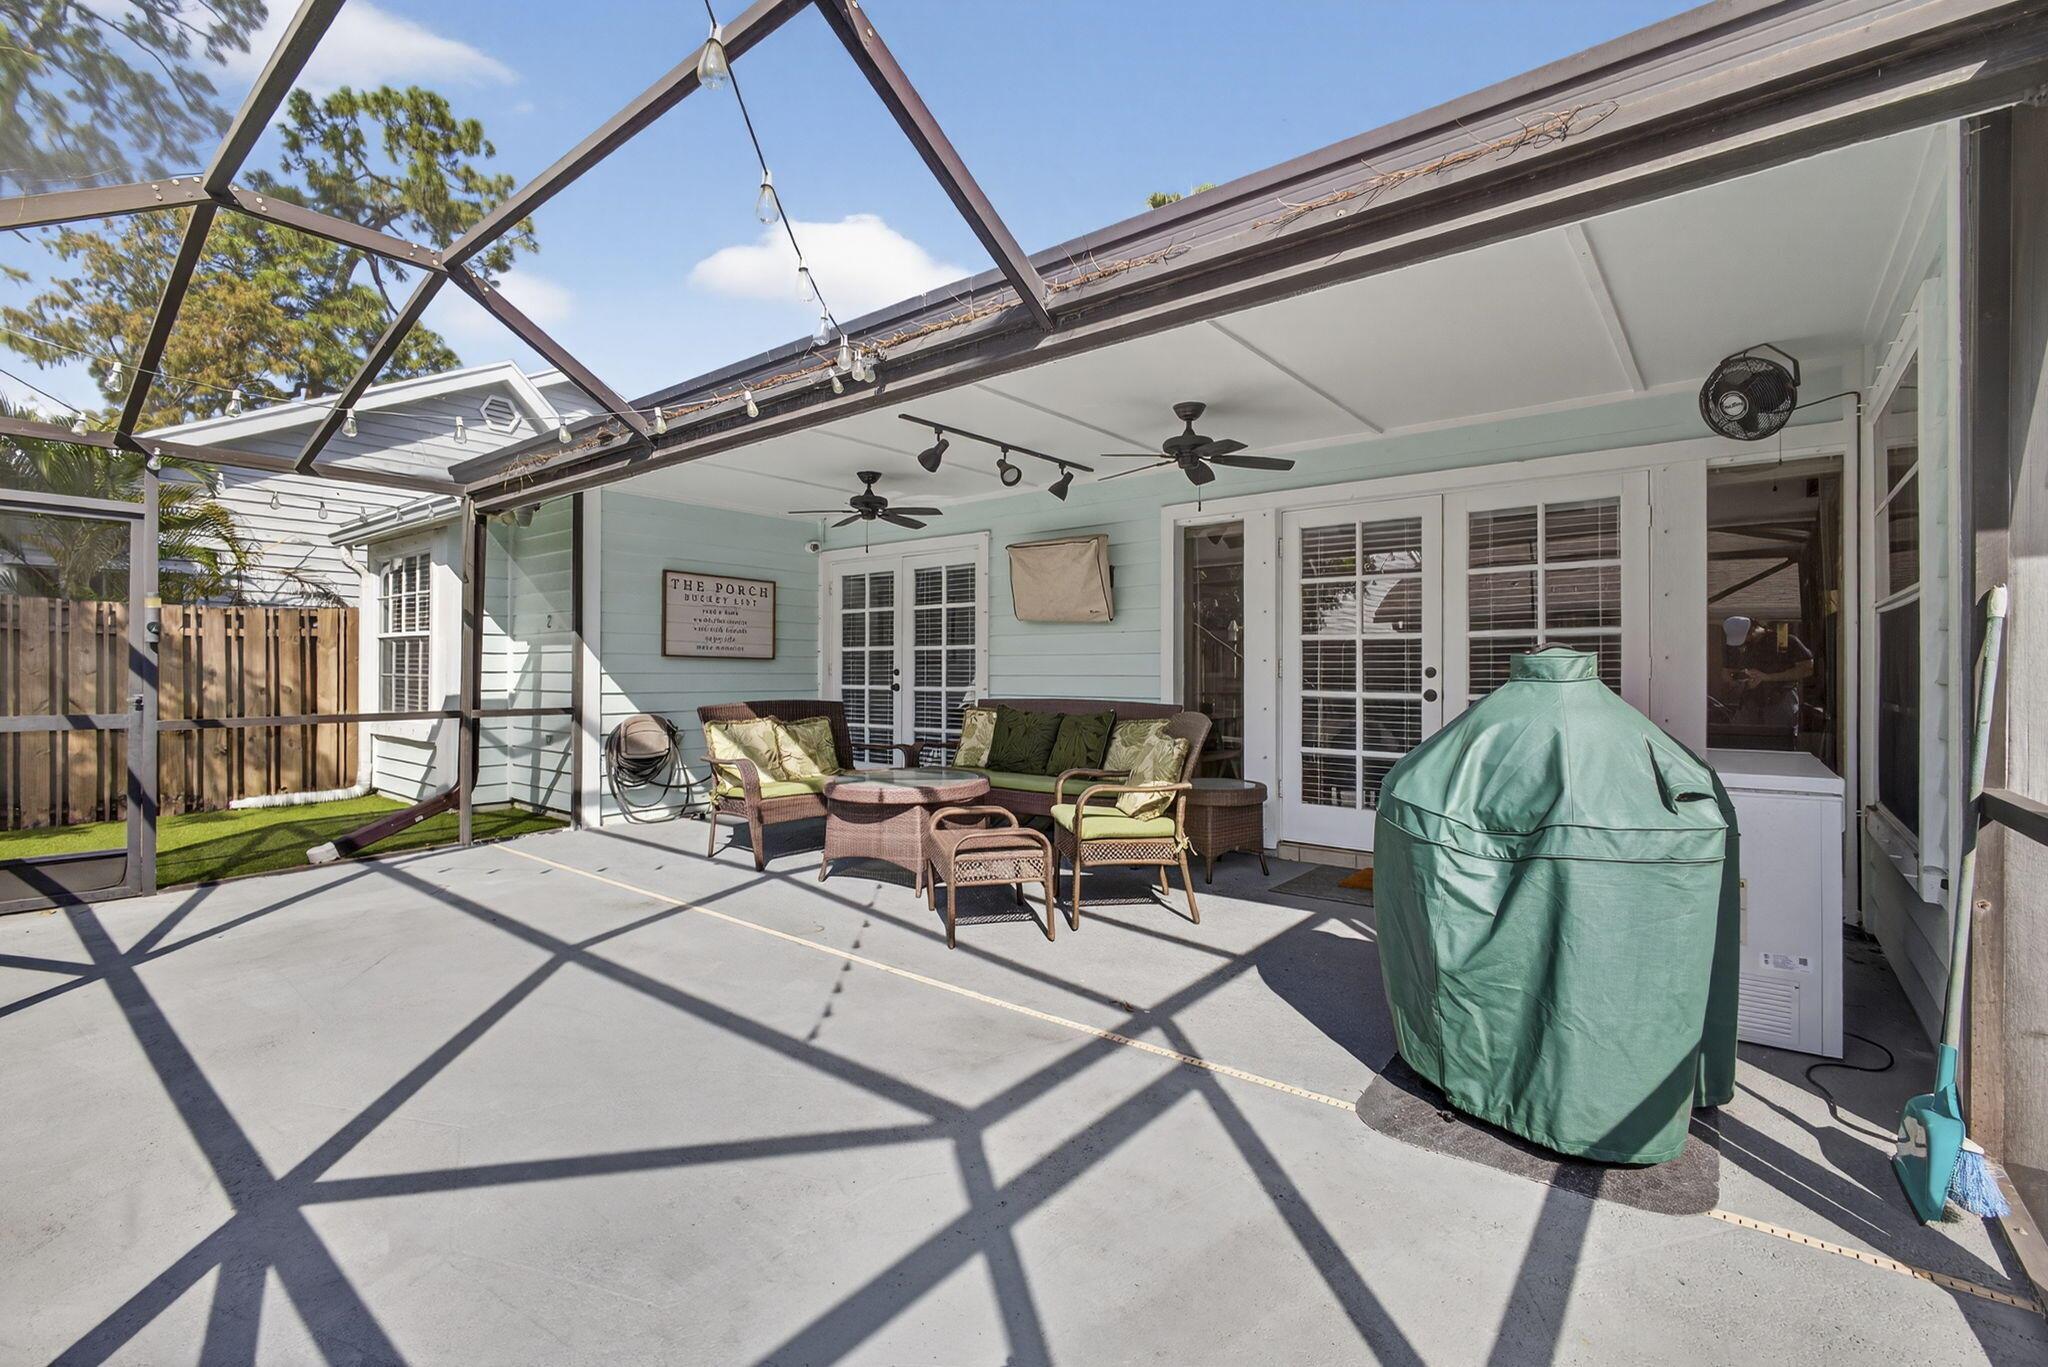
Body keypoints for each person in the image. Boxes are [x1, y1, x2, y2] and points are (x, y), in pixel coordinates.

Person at [1716, 615, 1815, 736]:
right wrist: (1743, 678)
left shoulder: (1782, 640)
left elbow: (1807, 668)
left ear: (1753, 629)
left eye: (1746, 637)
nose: (1745, 641)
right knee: (1740, 739)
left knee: (1779, 740)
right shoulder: (1737, 646)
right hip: (1750, 702)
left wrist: (1768, 677)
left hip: (1780, 699)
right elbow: (1727, 674)